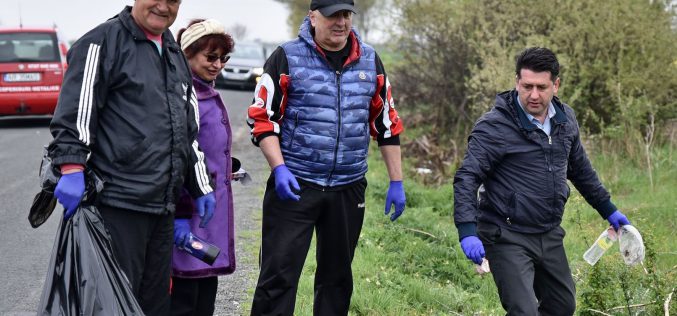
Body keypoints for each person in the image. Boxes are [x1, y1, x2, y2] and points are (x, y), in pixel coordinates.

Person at [47, 1, 215, 314]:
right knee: (110, 304)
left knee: (152, 304)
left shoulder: (174, 53)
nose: (164, 7)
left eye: (174, 1)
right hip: (117, 206)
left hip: (161, 208)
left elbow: (187, 130)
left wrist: (200, 186)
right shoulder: (101, 43)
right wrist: (71, 167)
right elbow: (75, 116)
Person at [246, 0, 406, 314]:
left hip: (347, 188)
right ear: (313, 17)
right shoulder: (286, 57)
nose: (341, 22)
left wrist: (396, 181)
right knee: (278, 275)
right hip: (294, 186)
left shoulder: (370, 61)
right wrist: (279, 168)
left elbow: (386, 124)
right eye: (333, 15)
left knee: (337, 279)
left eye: (346, 15)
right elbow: (262, 118)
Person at [453, 47, 631, 315]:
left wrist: (609, 209)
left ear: (556, 85)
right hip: (506, 234)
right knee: (524, 311)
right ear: (516, 82)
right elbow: (467, 177)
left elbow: (580, 170)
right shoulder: (494, 127)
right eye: (526, 86)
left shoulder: (565, 120)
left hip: (548, 232)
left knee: (562, 306)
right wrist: (467, 230)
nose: (533, 95)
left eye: (541, 87)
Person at [170, 19, 236, 316]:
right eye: (210, 57)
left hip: (209, 217)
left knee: (205, 294)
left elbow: (205, 147)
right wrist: (181, 213)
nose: (218, 64)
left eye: (223, 58)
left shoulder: (207, 90)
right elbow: (179, 154)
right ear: (187, 54)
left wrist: (227, 166)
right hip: (188, 213)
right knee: (183, 298)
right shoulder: (182, 95)